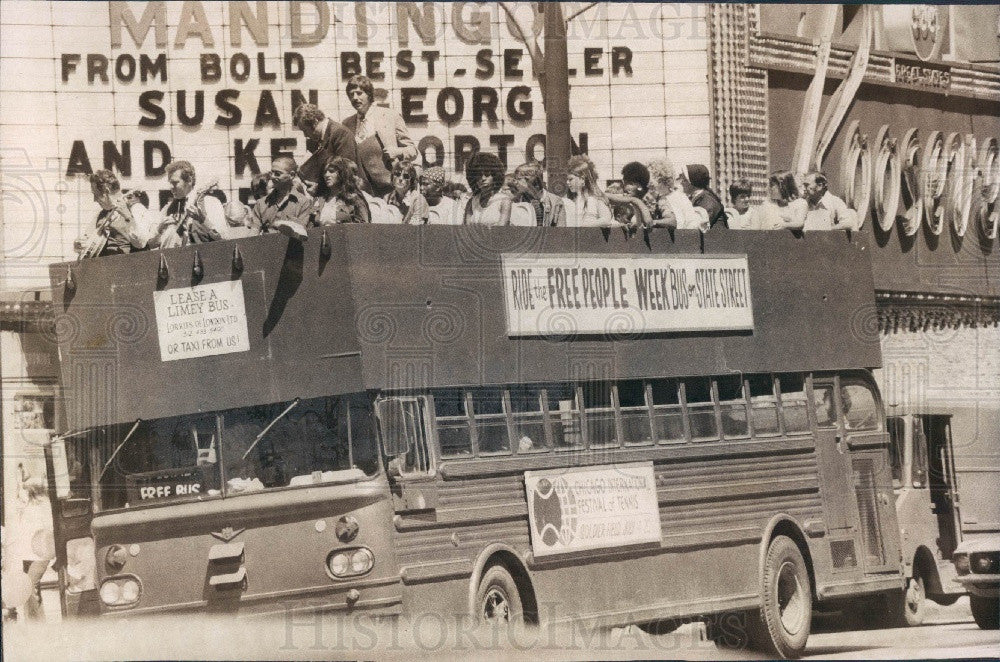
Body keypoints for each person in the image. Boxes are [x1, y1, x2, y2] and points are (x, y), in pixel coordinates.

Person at [342, 75, 417, 197]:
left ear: (369, 95)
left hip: (391, 190)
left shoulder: (390, 116)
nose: (355, 98)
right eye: (351, 94)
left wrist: (397, 151)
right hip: (363, 192)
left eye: (359, 93)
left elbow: (413, 151)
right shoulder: (347, 123)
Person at [74, 169, 154, 258]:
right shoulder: (101, 214)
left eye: (96, 194)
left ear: (106, 191)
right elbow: (87, 240)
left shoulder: (136, 209)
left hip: (131, 268)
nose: (95, 200)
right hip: (105, 268)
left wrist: (127, 217)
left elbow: (141, 243)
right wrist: (79, 245)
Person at [156, 160, 226, 248]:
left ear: (189, 180)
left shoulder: (210, 203)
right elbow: (151, 244)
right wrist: (159, 229)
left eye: (175, 183)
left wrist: (203, 221)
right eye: (170, 183)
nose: (171, 187)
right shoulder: (167, 208)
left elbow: (224, 240)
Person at [292, 103, 359, 189]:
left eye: (305, 130)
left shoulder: (340, 133)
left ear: (315, 122)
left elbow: (348, 172)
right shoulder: (321, 137)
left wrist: (320, 189)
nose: (305, 135)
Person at [250, 156, 313, 238]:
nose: (272, 177)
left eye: (277, 174)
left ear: (292, 175)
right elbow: (253, 234)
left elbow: (301, 234)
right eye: (271, 173)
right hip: (267, 249)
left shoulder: (303, 203)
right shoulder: (261, 204)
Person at [645, 159, 707, 230]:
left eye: (652, 187)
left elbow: (673, 222)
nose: (650, 190)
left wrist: (654, 222)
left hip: (684, 237)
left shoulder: (667, 199)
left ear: (666, 182)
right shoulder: (677, 195)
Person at [313, 157, 371, 225]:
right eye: (324, 172)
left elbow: (364, 227)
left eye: (331, 171)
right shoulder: (320, 199)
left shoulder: (354, 198)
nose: (327, 175)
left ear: (341, 173)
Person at [564, 155, 618, 227]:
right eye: (567, 180)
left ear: (582, 179)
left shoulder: (596, 199)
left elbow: (606, 219)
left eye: (570, 179)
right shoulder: (568, 200)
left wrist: (585, 225)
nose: (567, 182)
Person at [509, 161, 566, 227]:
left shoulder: (555, 201)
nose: (515, 183)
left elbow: (561, 229)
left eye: (518, 179)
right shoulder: (516, 200)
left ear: (530, 180)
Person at [463, 152, 512, 225]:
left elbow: (501, 229)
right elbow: (467, 228)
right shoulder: (471, 202)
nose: (483, 178)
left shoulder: (504, 201)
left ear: (495, 176)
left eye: (487, 175)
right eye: (478, 175)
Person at [681, 164, 728, 229]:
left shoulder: (707, 200)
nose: (681, 183)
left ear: (693, 182)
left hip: (717, 237)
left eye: (684, 180)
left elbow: (695, 226)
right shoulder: (695, 198)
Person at [384, 160, 424, 224]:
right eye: (397, 174)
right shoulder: (387, 198)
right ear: (392, 177)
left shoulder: (417, 200)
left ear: (412, 181)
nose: (400, 178)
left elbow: (417, 226)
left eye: (406, 176)